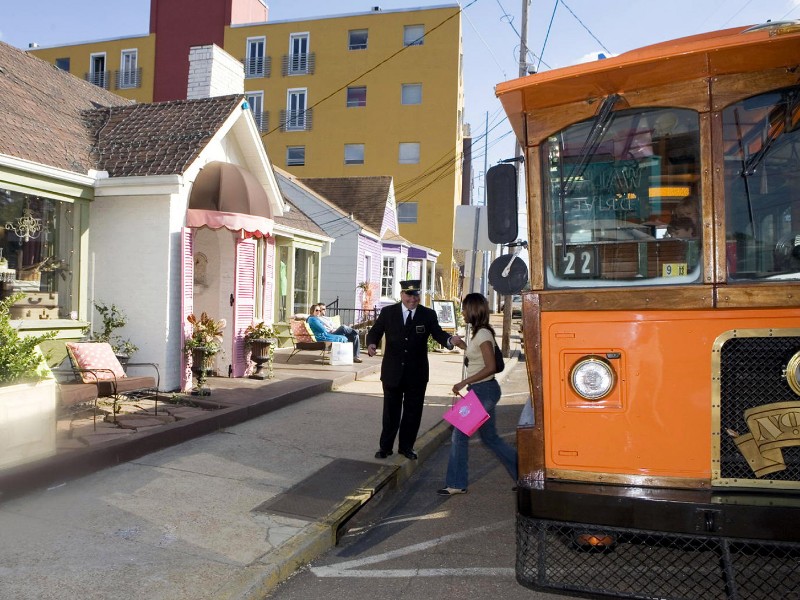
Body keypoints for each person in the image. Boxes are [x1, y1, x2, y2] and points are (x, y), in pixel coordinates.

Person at [367, 280, 461, 460]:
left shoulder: (428, 314)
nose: (412, 299)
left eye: (416, 295)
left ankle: (406, 447)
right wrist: (371, 343)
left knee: (413, 412)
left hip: (416, 374)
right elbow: (376, 331)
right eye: (409, 295)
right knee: (390, 413)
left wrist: (450, 341)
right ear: (402, 295)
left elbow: (438, 333)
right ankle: (385, 447)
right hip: (392, 372)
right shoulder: (389, 313)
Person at [437, 292, 517, 496]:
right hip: (483, 390)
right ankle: (524, 476)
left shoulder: (482, 334)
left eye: (464, 308)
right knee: (491, 439)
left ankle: (456, 483)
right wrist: (463, 345)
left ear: (472, 310)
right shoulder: (478, 333)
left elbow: (490, 367)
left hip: (484, 391)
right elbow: (479, 359)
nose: (462, 311)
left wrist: (463, 382)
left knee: (459, 434)